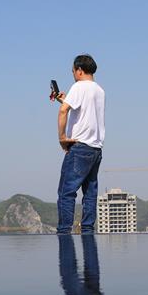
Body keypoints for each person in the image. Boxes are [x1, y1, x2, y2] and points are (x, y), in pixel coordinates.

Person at [52, 55, 106, 235]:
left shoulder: (78, 86)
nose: (73, 75)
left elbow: (63, 111)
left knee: (66, 192)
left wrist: (62, 138)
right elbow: (84, 111)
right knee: (90, 192)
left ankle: (64, 232)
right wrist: (65, 99)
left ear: (79, 70)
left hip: (79, 146)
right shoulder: (99, 90)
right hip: (96, 148)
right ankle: (88, 230)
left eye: (73, 71)